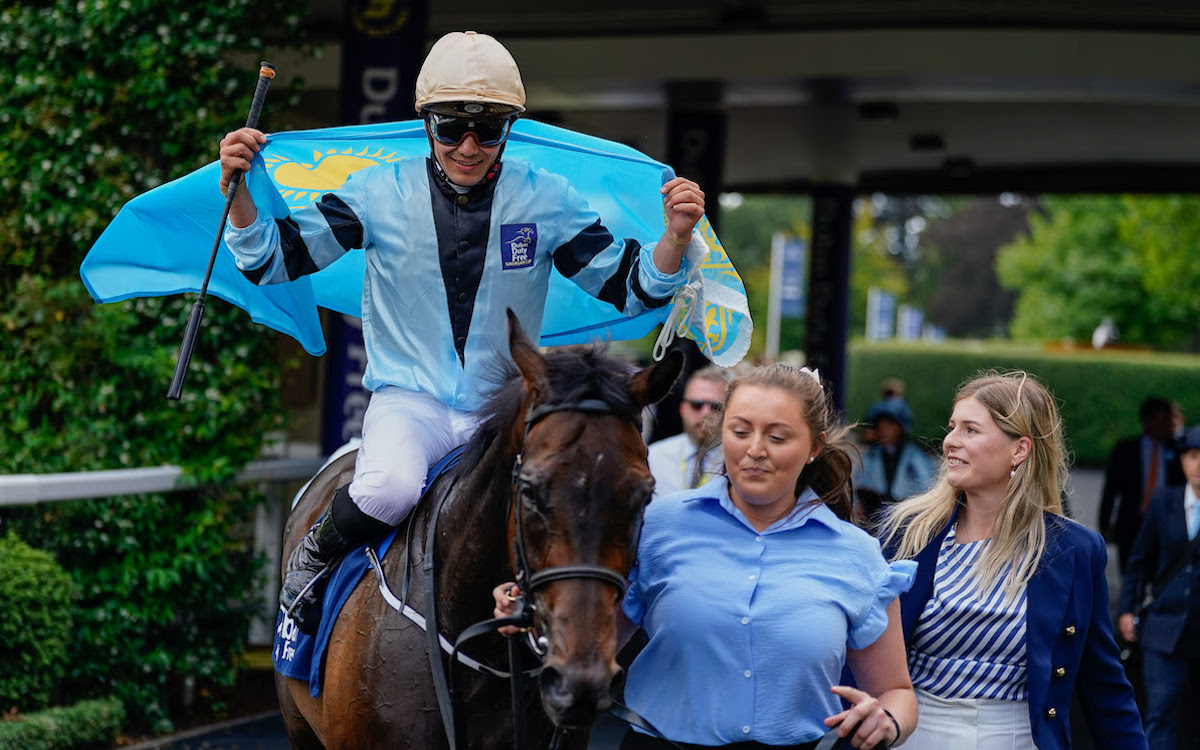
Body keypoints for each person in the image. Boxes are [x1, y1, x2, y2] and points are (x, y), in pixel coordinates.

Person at [218, 31, 707, 633]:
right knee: (389, 490)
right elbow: (274, 260)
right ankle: (314, 558)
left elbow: (631, 287)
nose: (469, 146)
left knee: (554, 503)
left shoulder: (548, 197)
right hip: (410, 402)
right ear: (427, 124)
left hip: (503, 408)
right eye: (451, 128)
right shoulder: (377, 189)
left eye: (489, 129)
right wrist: (238, 192)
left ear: (510, 128)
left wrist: (677, 237)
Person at [497, 364, 918, 750]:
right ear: (720, 433)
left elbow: (897, 693)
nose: (755, 449)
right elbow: (589, 637)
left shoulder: (856, 553)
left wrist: (887, 720)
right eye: (740, 431)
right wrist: (527, 612)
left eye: (777, 436)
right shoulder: (656, 526)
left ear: (814, 447)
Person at [877, 371, 1147, 750]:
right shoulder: (904, 533)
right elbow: (856, 647)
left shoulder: (1075, 551)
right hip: (914, 734)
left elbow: (1104, 686)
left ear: (1019, 450)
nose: (950, 441)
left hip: (1020, 738)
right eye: (952, 427)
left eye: (971, 430)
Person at [1117, 424, 1200, 750]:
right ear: (1182, 460)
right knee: (1161, 712)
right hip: (1164, 627)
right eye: (1193, 456)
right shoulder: (1163, 500)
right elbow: (1140, 560)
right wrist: (1126, 608)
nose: (1199, 464)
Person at [1100, 396, 1184, 571]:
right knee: (1130, 570)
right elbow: (1111, 490)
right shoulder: (1126, 450)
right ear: (1148, 421)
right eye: (1163, 421)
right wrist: (1105, 523)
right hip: (1132, 522)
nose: (1169, 426)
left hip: (1166, 522)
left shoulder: (1178, 451)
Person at [646, 364, 729, 496]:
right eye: (697, 405)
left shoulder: (737, 459)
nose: (705, 413)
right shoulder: (654, 457)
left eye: (716, 406)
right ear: (682, 408)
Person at [853, 398, 935, 522]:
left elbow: (928, 486)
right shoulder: (871, 455)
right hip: (873, 517)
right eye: (882, 426)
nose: (885, 431)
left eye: (890, 426)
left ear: (901, 428)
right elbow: (857, 486)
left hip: (905, 515)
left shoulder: (914, 455)